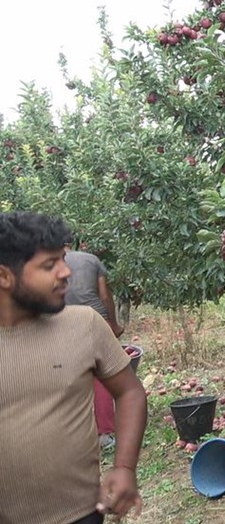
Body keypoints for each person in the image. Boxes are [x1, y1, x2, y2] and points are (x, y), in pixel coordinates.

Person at [0, 212, 147, 524]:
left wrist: (124, 467)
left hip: (80, 514)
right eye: (49, 265)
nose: (66, 271)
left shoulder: (83, 324)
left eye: (63, 259)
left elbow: (130, 392)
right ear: (4, 276)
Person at [66, 248, 124, 451]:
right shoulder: (91, 259)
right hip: (95, 319)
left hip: (64, 324)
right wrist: (113, 324)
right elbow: (104, 295)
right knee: (102, 376)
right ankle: (104, 434)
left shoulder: (43, 263)